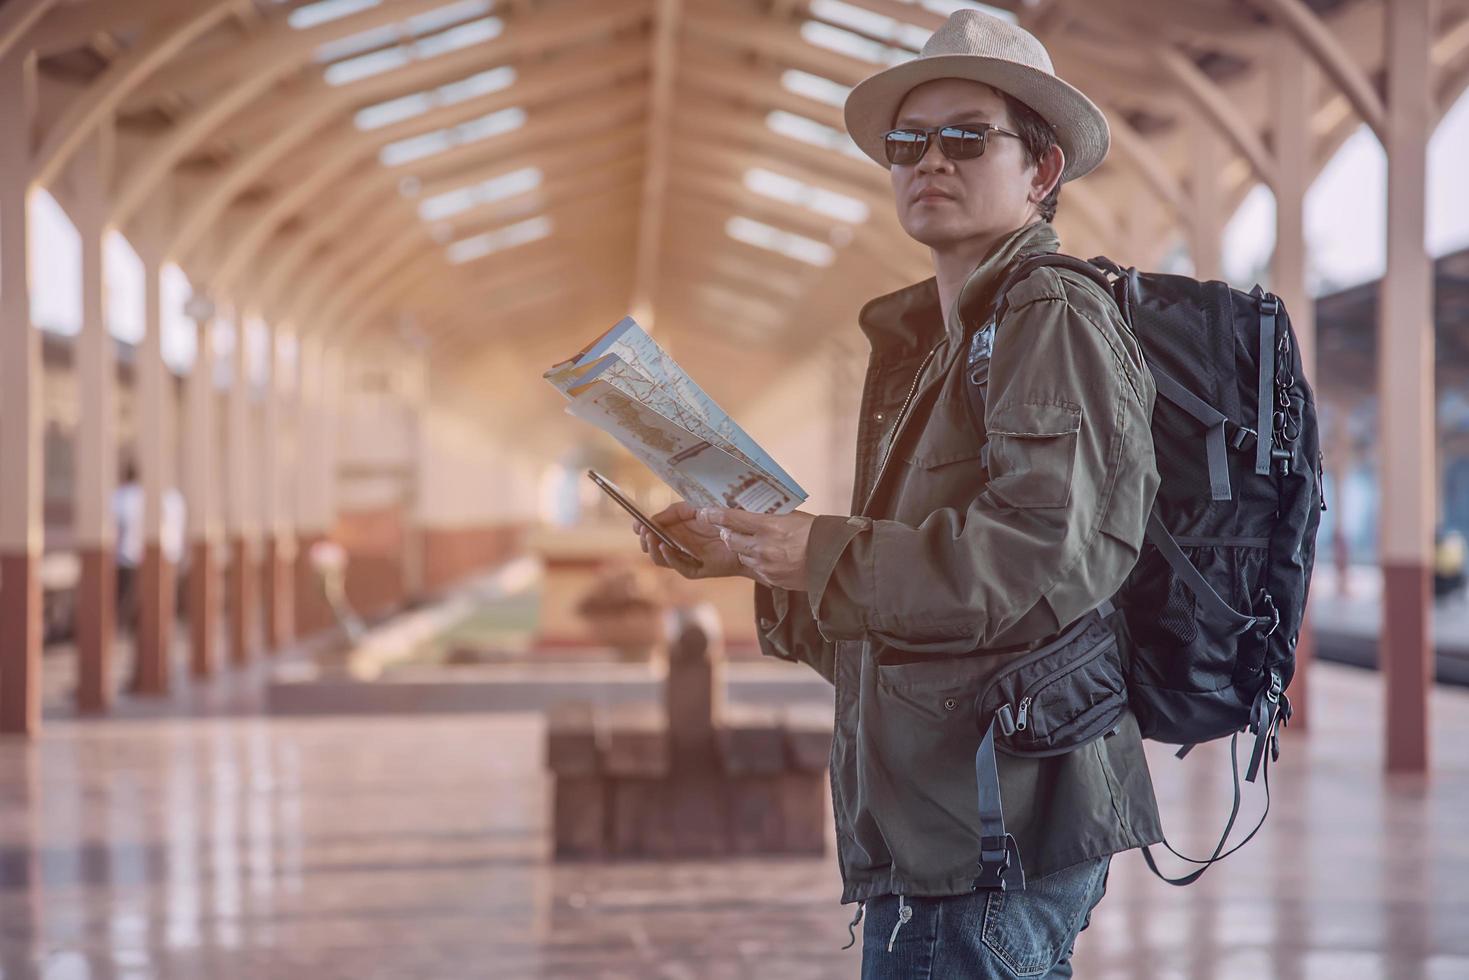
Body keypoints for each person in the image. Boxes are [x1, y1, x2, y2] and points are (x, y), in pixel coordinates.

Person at [633, 10, 1161, 978]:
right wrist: (751, 551)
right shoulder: (948, 344)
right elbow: (913, 612)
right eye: (906, 142)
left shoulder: (1045, 312)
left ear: (1040, 171)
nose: (930, 160)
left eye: (966, 137)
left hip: (983, 840)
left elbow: (1036, 555)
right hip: (949, 831)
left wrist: (820, 551)